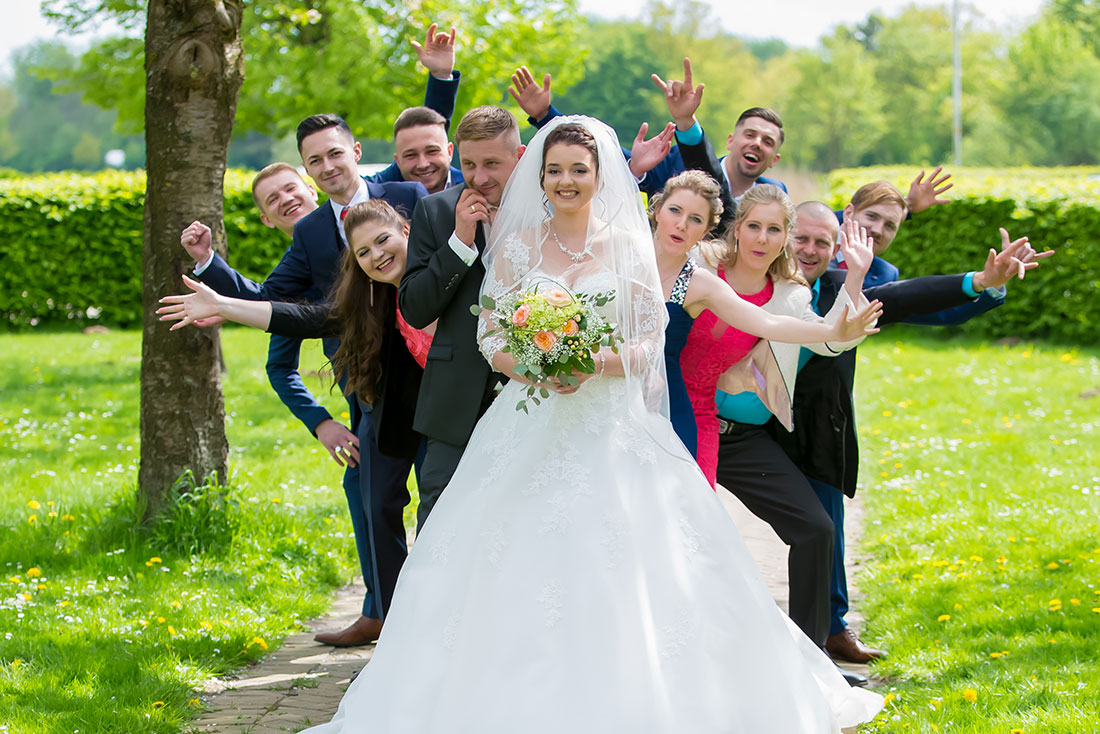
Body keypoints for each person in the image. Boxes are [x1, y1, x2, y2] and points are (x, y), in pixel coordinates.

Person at [296, 116, 882, 733]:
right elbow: (490, 335)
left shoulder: (629, 245)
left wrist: (584, 362)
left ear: (600, 175)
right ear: (539, 177)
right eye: (555, 171)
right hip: (528, 422)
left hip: (614, 431)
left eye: (580, 169)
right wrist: (534, 363)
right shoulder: (517, 245)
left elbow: (647, 342)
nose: (566, 180)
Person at [182, 112, 425, 647]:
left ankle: (421, 610)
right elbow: (275, 301)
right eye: (315, 161)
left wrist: (441, 81)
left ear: (356, 150)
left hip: (434, 372)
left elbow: (435, 142)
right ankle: (385, 612)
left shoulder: (405, 192)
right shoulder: (313, 234)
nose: (327, 166)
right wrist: (212, 274)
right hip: (370, 386)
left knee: (436, 492)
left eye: (333, 154)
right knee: (372, 497)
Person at [765, 202, 1046, 664]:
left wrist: (979, 282)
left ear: (837, 248)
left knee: (823, 530)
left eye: (822, 242)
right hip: (747, 428)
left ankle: (826, 634)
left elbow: (906, 296)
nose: (810, 249)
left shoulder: (848, 286)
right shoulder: (757, 275)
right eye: (802, 238)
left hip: (818, 425)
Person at [650, 170, 882, 457]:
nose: (761, 239)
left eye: (773, 230)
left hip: (705, 417)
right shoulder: (698, 261)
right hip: (649, 393)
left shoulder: (790, 296)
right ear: (737, 228)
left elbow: (826, 340)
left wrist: (856, 275)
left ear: (786, 238)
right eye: (754, 226)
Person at [397, 105, 529, 527]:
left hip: (532, 396)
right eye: (469, 164)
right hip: (455, 403)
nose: (480, 177)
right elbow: (415, 309)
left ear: (521, 157)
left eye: (492, 163)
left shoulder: (549, 215)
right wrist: (459, 241)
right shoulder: (434, 212)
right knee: (440, 524)